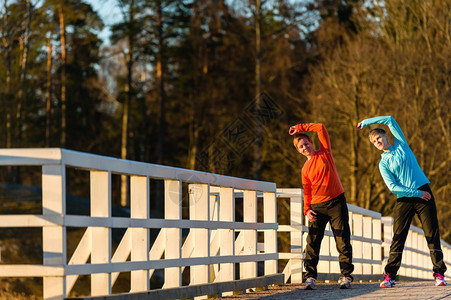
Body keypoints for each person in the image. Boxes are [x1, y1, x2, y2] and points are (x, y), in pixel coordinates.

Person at [357, 115, 447, 288]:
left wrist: (366, 122)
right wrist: (416, 193)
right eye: (374, 142)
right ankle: (390, 276)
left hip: (424, 194)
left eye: (379, 138)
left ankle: (439, 274)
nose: (378, 142)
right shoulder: (383, 164)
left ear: (386, 136)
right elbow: (393, 187)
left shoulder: (401, 144)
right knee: (398, 237)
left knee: (432, 234)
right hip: (405, 198)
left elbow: (390, 119)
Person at [289, 122, 354, 290]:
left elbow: (321, 128)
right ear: (298, 151)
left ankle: (346, 276)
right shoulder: (305, 169)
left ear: (311, 142)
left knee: (342, 239)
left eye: (306, 143)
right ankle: (310, 276)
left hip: (336, 202)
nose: (305, 148)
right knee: (312, 241)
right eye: (301, 147)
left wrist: (300, 128)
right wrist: (307, 210)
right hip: (317, 207)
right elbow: (307, 191)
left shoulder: (325, 153)